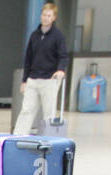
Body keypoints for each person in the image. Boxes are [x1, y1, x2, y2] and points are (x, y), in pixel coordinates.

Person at [13, 2, 69, 136]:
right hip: (33, 79)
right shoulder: (34, 36)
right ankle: (17, 137)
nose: (45, 18)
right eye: (44, 15)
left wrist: (60, 70)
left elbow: (63, 56)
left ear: (54, 17)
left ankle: (48, 139)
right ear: (41, 15)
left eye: (49, 16)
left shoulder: (58, 36)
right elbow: (28, 59)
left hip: (49, 80)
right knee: (26, 110)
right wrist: (24, 80)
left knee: (48, 113)